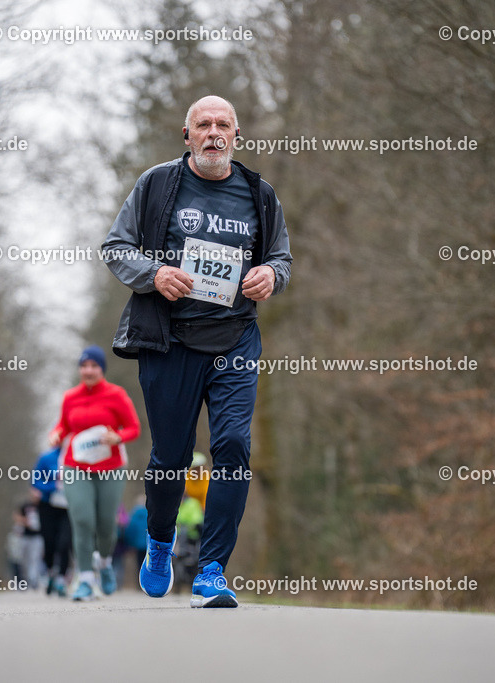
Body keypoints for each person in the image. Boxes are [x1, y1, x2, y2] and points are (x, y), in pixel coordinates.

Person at [102, 95, 292, 608]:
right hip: (170, 340)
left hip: (234, 338)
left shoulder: (258, 193)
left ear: (236, 135)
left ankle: (212, 570)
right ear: (187, 136)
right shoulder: (157, 184)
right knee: (172, 457)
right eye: (203, 125)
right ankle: (160, 543)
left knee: (232, 446)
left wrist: (270, 274)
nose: (213, 133)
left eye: (223, 125)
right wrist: (154, 273)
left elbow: (281, 257)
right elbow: (115, 248)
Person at [49, 345, 141, 601]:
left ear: (102, 369)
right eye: (84, 366)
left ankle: (105, 563)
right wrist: (56, 434)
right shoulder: (70, 397)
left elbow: (134, 428)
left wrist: (117, 436)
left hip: (111, 467)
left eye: (94, 366)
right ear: (80, 369)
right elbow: (63, 425)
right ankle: (86, 580)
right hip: (75, 466)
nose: (88, 371)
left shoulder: (116, 395)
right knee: (82, 519)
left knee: (106, 526)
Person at [31, 446, 72, 596]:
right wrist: (54, 486)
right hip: (47, 505)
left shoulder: (77, 455)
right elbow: (35, 480)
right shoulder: (46, 457)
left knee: (64, 542)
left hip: (69, 506)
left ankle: (61, 578)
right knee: (49, 541)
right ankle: (49, 573)